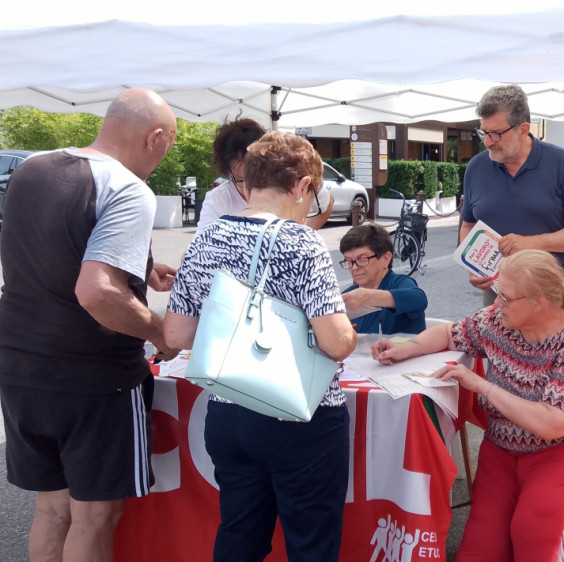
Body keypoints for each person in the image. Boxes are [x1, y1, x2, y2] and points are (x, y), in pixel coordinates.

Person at [0, 88, 180, 562]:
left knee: (51, 510)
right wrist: (161, 332)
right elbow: (96, 292)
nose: (165, 155)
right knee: (93, 519)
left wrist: (139, 266)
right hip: (93, 380)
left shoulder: (30, 169)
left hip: (19, 368)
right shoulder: (128, 188)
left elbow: (52, 250)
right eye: (170, 144)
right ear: (155, 136)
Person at [163, 131, 356, 561]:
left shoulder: (206, 238)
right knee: (311, 542)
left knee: (239, 535)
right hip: (300, 419)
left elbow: (175, 336)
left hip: (229, 411)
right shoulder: (302, 243)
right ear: (303, 185)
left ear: (249, 181)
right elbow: (337, 343)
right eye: (315, 195)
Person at [373, 249, 564, 562]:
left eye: (505, 297)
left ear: (539, 303)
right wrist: (403, 349)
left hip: (554, 454)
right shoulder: (499, 320)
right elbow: (450, 334)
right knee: (479, 550)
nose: (496, 303)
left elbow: (554, 423)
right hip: (500, 450)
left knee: (536, 535)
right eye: (497, 293)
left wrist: (480, 385)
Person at [460, 84, 564, 305]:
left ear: (523, 129)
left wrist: (531, 243)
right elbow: (468, 225)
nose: (487, 142)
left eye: (496, 134)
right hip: (498, 288)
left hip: (551, 286)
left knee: (553, 341)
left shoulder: (561, 162)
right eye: (484, 132)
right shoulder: (476, 167)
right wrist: (473, 266)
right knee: (496, 341)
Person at [196, 117, 334, 233]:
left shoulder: (295, 182)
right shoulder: (218, 199)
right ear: (228, 173)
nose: (247, 187)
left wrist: (302, 234)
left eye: (256, 178)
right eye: (240, 180)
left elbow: (327, 203)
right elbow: (194, 251)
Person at [339, 223, 427, 335]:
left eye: (362, 259)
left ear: (386, 259)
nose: (355, 267)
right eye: (349, 261)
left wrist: (370, 297)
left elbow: (419, 299)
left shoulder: (399, 283)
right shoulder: (349, 295)